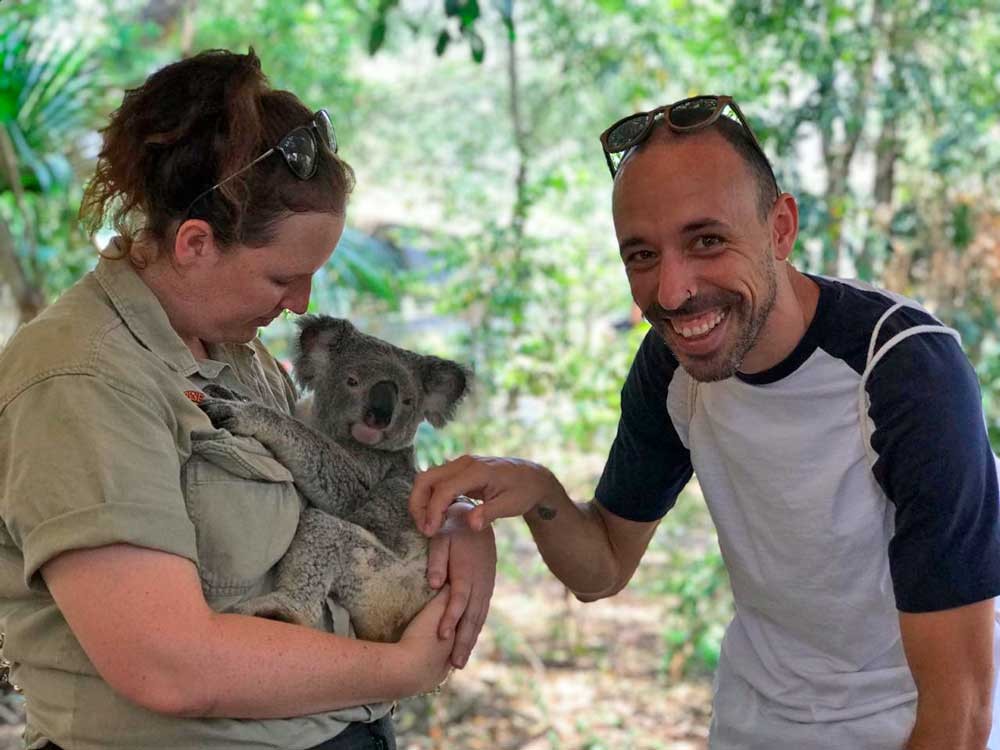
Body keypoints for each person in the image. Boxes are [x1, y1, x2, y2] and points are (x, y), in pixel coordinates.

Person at [409, 95, 1000, 749]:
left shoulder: (904, 368)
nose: (672, 291)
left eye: (707, 241)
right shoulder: (672, 366)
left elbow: (961, 712)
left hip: (906, 722)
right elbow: (601, 569)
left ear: (780, 228)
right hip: (757, 718)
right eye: (641, 256)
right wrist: (537, 490)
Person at [0, 48, 496, 750]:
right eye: (281, 279)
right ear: (196, 244)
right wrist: (400, 668)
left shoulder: (233, 351)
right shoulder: (82, 380)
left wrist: (457, 526)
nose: (300, 304)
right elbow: (166, 666)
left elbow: (346, 494)